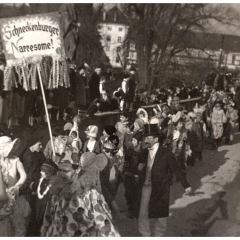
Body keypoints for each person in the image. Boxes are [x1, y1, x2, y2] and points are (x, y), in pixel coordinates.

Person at [41, 147, 120, 237]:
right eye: (60, 170)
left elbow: (105, 226)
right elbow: (47, 219)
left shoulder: (91, 195)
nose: (61, 174)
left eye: (66, 171)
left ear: (78, 170)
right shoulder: (55, 192)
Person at [137, 124, 192, 237]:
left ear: (156, 139)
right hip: (146, 187)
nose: (145, 140)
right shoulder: (144, 151)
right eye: (145, 137)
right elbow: (139, 166)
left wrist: (185, 184)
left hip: (160, 188)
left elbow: (177, 169)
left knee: (160, 217)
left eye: (148, 137)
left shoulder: (166, 152)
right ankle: (145, 235)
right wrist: (139, 166)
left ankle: (159, 236)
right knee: (143, 214)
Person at [0, 136, 30, 236]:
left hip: (13, 195)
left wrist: (17, 186)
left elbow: (23, 175)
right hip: (1, 196)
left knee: (17, 223)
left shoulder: (15, 160)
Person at [27, 161, 58, 236]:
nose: (40, 172)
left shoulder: (54, 184)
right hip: (37, 208)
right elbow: (32, 187)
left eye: (43, 171)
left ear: (48, 172)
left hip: (46, 211)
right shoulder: (41, 180)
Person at [124, 131, 143, 219]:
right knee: (129, 193)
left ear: (140, 142)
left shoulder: (143, 152)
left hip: (139, 176)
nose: (133, 142)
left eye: (135, 140)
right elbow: (126, 160)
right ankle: (131, 209)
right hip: (129, 175)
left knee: (138, 194)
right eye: (132, 140)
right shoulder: (130, 150)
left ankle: (137, 211)